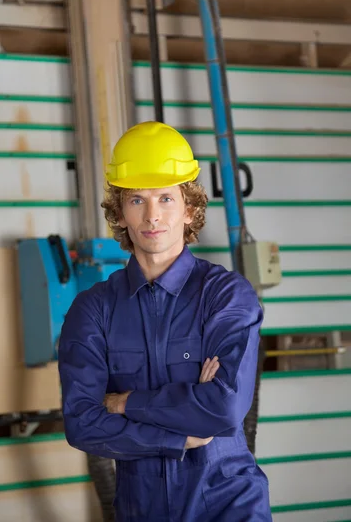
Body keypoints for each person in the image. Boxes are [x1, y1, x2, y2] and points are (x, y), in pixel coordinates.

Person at [58, 121, 272, 521]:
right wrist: (181, 435)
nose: (152, 216)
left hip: (228, 507)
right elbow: (82, 424)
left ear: (189, 209)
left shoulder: (226, 296)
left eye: (166, 199)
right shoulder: (93, 310)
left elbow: (223, 410)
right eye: (137, 200)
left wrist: (125, 403)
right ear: (119, 213)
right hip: (142, 511)